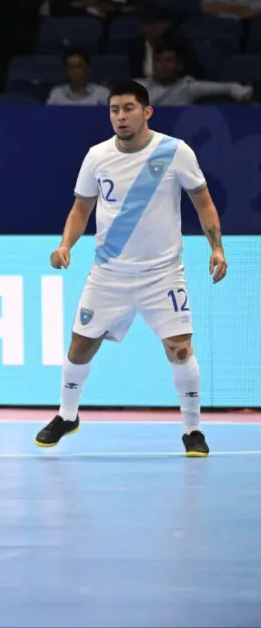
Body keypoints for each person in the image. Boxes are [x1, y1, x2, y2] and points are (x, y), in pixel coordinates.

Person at [35, 80, 227, 457]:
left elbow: (203, 202)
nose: (120, 116)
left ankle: (193, 430)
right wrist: (65, 245)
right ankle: (67, 415)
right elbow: (81, 209)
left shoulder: (175, 152)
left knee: (180, 350)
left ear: (146, 112)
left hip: (162, 273)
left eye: (128, 108)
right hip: (109, 273)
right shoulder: (97, 156)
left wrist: (216, 248)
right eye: (114, 110)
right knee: (79, 346)